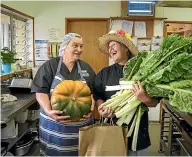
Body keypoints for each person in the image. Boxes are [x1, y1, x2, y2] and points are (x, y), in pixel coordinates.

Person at [93, 30, 159, 156]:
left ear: (126, 48)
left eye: (113, 44)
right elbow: (98, 95)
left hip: (138, 134)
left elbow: (154, 103)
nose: (110, 48)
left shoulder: (144, 71)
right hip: (111, 130)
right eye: (109, 47)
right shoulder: (104, 73)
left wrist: (144, 98)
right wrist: (101, 108)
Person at [31, 33, 96, 156]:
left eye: (81, 46)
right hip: (54, 131)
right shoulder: (50, 66)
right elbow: (40, 91)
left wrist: (92, 104)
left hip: (80, 131)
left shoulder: (86, 68)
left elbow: (92, 93)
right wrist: (48, 110)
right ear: (65, 46)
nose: (79, 50)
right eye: (75, 45)